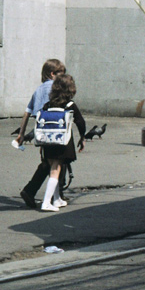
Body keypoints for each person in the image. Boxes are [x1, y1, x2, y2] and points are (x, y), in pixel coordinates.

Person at [16, 58, 65, 209]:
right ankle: (36, 192)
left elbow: (27, 112)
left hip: (41, 131)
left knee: (47, 161)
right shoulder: (55, 88)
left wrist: (21, 133)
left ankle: (37, 192)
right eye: (61, 73)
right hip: (54, 130)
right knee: (57, 160)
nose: (63, 76)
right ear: (52, 74)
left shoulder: (38, 90)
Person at [37, 73, 87, 212]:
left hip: (48, 142)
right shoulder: (70, 105)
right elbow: (81, 122)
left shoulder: (47, 105)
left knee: (53, 169)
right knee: (56, 169)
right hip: (62, 142)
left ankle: (57, 199)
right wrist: (82, 137)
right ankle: (46, 202)